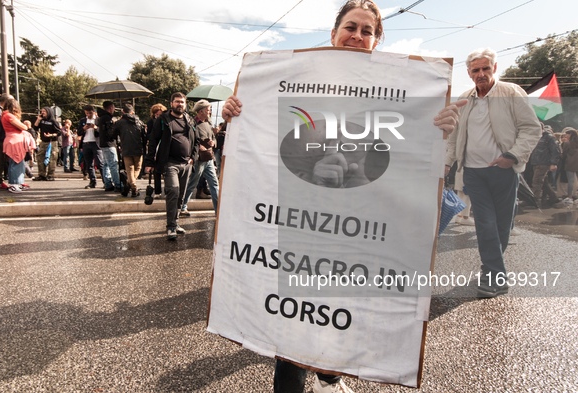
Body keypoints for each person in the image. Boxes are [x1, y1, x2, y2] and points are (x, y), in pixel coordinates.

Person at [224, 1, 466, 392]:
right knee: (296, 315)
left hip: (358, 224)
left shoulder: (400, 94)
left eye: (367, 31)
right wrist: (238, 112)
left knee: (340, 306)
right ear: (333, 33)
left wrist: (438, 128)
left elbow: (404, 158)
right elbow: (268, 147)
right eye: (350, 26)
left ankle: (329, 377)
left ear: (377, 40)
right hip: (301, 220)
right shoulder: (293, 80)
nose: (357, 35)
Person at [445, 47, 541, 298]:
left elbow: (531, 128)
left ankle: (490, 269)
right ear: (468, 73)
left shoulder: (510, 92)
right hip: (473, 172)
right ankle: (494, 274)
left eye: (485, 68)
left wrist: (511, 157)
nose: (481, 74)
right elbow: (454, 137)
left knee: (501, 225)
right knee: (485, 223)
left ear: (494, 69)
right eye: (475, 70)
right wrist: (446, 163)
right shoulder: (465, 99)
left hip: (503, 171)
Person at [145, 92, 199, 240]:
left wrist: (193, 158)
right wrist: (149, 162)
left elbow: (197, 141)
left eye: (182, 102)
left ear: (185, 104)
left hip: (186, 163)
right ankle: (170, 227)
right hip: (170, 163)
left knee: (181, 196)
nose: (179, 104)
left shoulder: (189, 120)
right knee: (173, 192)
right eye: (177, 102)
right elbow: (153, 141)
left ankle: (175, 223)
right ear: (171, 104)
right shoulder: (163, 120)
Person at [181, 99, 219, 216]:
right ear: (201, 111)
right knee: (192, 183)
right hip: (198, 160)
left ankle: (218, 211)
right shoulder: (192, 124)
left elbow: (214, 139)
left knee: (214, 184)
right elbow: (187, 140)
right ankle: (182, 206)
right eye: (208, 110)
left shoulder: (208, 123)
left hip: (209, 159)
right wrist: (198, 147)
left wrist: (213, 142)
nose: (210, 111)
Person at [1, 99, 35, 193]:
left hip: (12, 139)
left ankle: (16, 183)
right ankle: (15, 184)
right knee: (17, 162)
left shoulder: (4, 115)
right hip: (14, 140)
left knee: (16, 163)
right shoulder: (9, 116)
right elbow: (24, 127)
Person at [113, 103, 145, 197]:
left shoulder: (119, 123)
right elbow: (144, 136)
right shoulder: (140, 122)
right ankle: (133, 187)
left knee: (129, 169)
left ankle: (130, 185)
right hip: (138, 149)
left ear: (123, 112)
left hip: (126, 149)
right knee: (138, 168)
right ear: (133, 112)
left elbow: (113, 134)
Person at [529, 123, 560, 208]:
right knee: (543, 183)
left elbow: (555, 150)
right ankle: (554, 198)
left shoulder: (549, 138)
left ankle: (534, 201)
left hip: (543, 162)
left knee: (537, 182)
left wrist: (553, 163)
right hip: (537, 162)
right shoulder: (538, 137)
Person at [77, 105, 104, 189]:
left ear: (93, 111)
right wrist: (84, 128)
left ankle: (105, 181)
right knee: (89, 164)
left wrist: (96, 128)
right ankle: (92, 181)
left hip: (96, 143)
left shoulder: (98, 120)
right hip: (86, 143)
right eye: (86, 113)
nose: (88, 115)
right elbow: (78, 132)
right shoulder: (83, 120)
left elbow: (103, 131)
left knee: (100, 163)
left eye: (89, 113)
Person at [34, 106, 63, 181]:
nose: (42, 113)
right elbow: (35, 128)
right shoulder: (41, 120)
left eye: (44, 111)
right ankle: (41, 174)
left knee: (52, 158)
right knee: (40, 156)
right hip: (43, 141)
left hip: (52, 141)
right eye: (42, 111)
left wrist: (51, 135)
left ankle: (50, 175)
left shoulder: (53, 121)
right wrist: (38, 119)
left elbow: (59, 132)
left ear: (49, 112)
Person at [98, 101, 121, 192]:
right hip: (109, 143)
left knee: (106, 164)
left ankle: (107, 183)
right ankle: (117, 184)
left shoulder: (101, 117)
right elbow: (111, 132)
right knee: (113, 164)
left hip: (103, 143)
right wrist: (115, 126)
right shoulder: (107, 118)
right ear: (111, 108)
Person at [147, 103, 167, 196]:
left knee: (166, 171)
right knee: (156, 171)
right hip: (155, 146)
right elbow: (149, 136)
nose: (158, 116)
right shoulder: (151, 122)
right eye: (156, 114)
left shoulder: (166, 121)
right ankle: (157, 191)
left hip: (163, 146)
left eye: (160, 114)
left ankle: (167, 190)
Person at [561, 127, 578, 203]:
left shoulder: (567, 143)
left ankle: (570, 197)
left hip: (570, 164)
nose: (565, 136)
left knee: (570, 181)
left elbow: (563, 155)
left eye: (566, 134)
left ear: (570, 134)